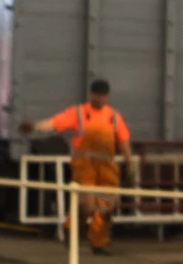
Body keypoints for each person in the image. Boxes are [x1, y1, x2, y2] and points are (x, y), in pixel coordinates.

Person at [21, 79, 132, 252]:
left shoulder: (114, 117)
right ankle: (71, 231)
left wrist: (129, 162)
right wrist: (35, 127)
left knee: (106, 207)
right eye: (97, 95)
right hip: (84, 167)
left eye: (103, 95)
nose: (100, 99)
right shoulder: (79, 113)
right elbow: (55, 123)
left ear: (107, 96)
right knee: (85, 205)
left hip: (107, 169)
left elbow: (123, 140)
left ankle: (99, 242)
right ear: (91, 95)